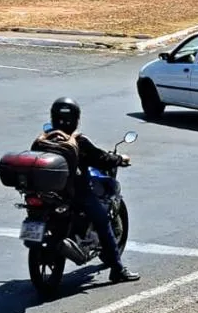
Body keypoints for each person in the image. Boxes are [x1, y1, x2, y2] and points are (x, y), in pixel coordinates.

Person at [46, 97, 140, 283]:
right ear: (76, 119)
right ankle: (117, 270)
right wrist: (120, 159)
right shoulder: (77, 141)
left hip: (48, 194)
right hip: (76, 194)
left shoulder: (46, 139)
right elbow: (101, 158)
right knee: (103, 223)